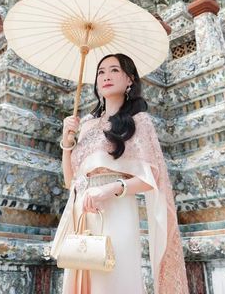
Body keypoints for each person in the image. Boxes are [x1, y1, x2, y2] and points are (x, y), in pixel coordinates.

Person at [50, 53, 189, 294]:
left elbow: (151, 178)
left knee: (112, 280)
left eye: (114, 70)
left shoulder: (138, 121)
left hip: (115, 208)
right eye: (101, 72)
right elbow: (70, 180)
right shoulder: (86, 124)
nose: (105, 76)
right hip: (81, 210)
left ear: (130, 80)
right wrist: (66, 140)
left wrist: (108, 189)